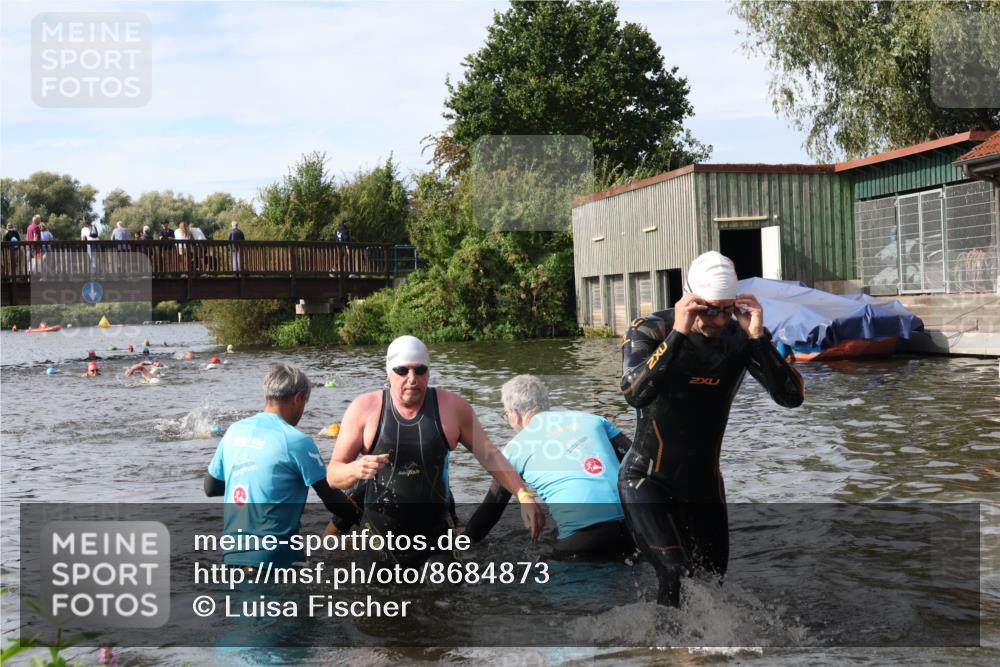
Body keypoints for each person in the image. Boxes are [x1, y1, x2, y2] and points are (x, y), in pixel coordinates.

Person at [618, 251, 805, 607]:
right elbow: (633, 393)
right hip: (646, 480)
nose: (718, 320)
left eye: (725, 309)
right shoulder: (651, 329)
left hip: (702, 484)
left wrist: (759, 338)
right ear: (688, 299)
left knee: (713, 584)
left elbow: (792, 397)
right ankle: (670, 655)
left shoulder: (740, 338)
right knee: (675, 571)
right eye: (707, 309)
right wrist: (677, 334)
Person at [327, 335, 545, 565]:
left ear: (428, 373)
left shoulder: (453, 407)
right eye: (403, 370)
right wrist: (355, 469)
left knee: (448, 597)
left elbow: (490, 454)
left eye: (420, 370)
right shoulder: (364, 408)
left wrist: (523, 495)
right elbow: (333, 475)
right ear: (389, 372)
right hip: (380, 537)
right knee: (378, 600)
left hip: (436, 539)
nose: (412, 379)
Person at [204, 364, 361, 567]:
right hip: (276, 557)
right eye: (305, 402)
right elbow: (330, 497)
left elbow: (210, 488)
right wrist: (365, 519)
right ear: (298, 398)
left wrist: (251, 481)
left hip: (232, 554)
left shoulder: (234, 431)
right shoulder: (296, 441)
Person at [464, 375, 635, 560]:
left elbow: (490, 512)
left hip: (583, 539)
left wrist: (462, 542)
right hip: (637, 525)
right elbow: (637, 462)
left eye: (505, 415)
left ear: (514, 413)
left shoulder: (514, 450)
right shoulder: (593, 419)